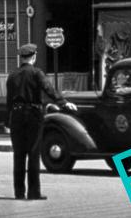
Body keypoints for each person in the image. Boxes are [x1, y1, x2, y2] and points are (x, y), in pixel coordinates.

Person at [6, 43, 78, 201]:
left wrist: (7, 121)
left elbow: (8, 102)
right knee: (33, 153)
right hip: (33, 115)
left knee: (18, 155)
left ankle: (19, 192)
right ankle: (33, 192)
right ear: (34, 57)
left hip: (16, 116)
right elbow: (49, 89)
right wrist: (63, 102)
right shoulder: (36, 73)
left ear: (21, 58)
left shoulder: (12, 76)